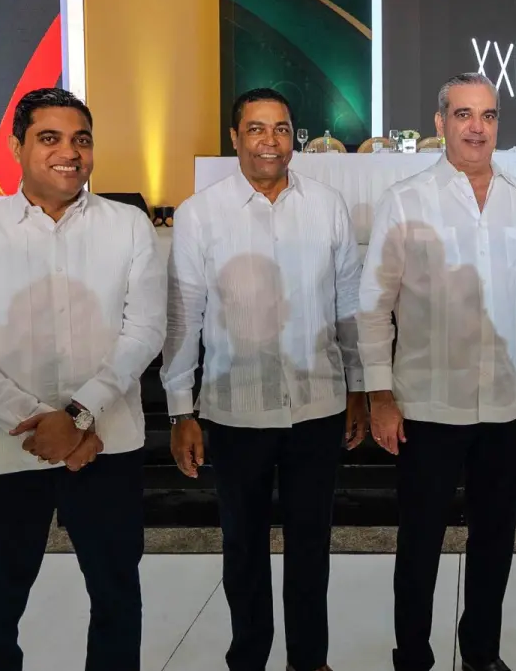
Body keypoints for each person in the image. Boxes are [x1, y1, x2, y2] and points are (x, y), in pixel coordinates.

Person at [0, 88, 166, 671]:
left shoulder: (128, 226)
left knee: (116, 597)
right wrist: (40, 423)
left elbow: (144, 332)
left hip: (106, 446)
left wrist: (77, 416)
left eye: (81, 139)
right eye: (49, 138)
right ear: (17, 147)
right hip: (3, 452)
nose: (69, 152)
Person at [358, 72, 516, 671]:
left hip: (506, 399)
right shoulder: (406, 199)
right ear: (440, 122)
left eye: (488, 115)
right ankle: (413, 656)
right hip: (426, 402)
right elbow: (374, 303)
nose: (477, 127)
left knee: (495, 537)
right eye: (464, 114)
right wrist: (379, 394)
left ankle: (481, 653)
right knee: (419, 539)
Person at [160, 87, 367, 671]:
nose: (269, 141)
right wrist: (180, 409)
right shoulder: (201, 213)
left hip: (316, 404)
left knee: (311, 544)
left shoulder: (327, 205)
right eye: (255, 129)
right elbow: (184, 316)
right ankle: (248, 658)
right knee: (243, 545)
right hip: (235, 407)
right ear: (235, 138)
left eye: (280, 129)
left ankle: (310, 660)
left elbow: (348, 304)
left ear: (293, 137)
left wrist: (358, 387)